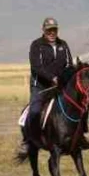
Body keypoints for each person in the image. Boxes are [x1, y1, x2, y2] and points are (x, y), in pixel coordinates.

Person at [19, 17, 74, 154]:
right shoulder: (36, 45)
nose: (52, 32)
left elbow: (69, 65)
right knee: (35, 111)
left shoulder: (63, 45)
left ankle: (79, 138)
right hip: (41, 87)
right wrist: (52, 78)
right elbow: (37, 67)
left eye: (54, 29)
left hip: (60, 87)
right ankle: (29, 140)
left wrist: (64, 78)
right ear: (43, 30)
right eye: (49, 30)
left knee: (77, 107)